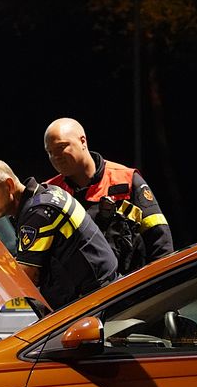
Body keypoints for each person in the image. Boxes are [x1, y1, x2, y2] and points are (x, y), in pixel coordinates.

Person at [0, 158, 119, 310]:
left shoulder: (38, 214)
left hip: (95, 303)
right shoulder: (50, 192)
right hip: (102, 294)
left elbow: (26, 278)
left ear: (9, 185)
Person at [43, 117, 173, 272]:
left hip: (132, 285)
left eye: (61, 147)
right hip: (81, 293)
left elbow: (160, 240)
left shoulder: (125, 180)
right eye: (50, 152)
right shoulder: (50, 193)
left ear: (83, 141)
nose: (55, 157)